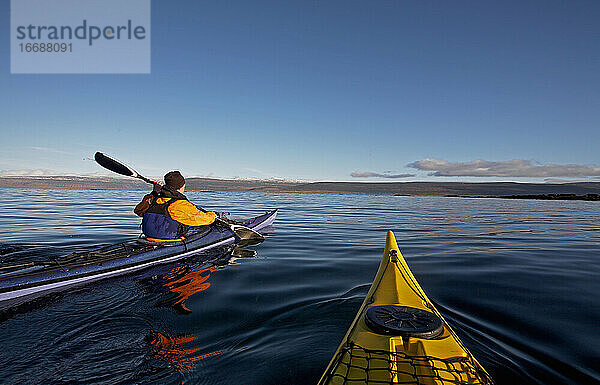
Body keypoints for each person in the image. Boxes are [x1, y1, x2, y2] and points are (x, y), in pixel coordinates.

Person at [134, 171, 216, 241]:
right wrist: (213, 216)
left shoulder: (151, 200)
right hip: (170, 241)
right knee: (206, 228)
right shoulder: (180, 205)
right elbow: (201, 219)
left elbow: (138, 211)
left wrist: (154, 192)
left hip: (149, 239)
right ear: (181, 186)